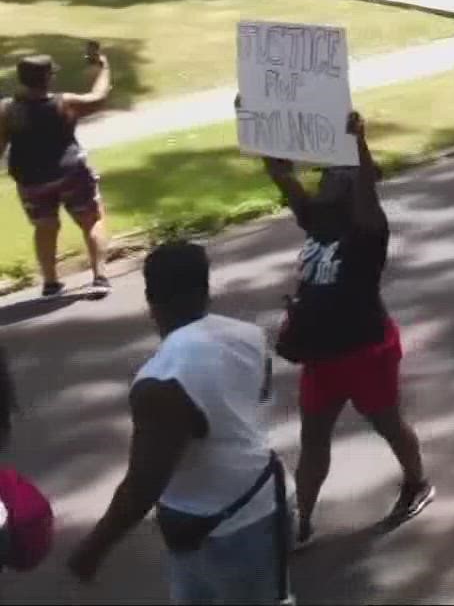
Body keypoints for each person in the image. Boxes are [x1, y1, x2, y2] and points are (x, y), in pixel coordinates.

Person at [68, 242, 289, 604]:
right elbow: (254, 401)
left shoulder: (161, 381)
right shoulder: (247, 335)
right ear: (205, 290)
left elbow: (142, 485)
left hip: (217, 527)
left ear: (150, 301)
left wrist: (92, 549)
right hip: (261, 498)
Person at [262, 113, 432, 550]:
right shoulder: (317, 217)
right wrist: (262, 120)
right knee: (313, 436)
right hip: (321, 355)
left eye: (336, 175)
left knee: (387, 423)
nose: (324, 179)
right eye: (325, 173)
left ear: (354, 182)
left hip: (365, 351)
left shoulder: (369, 229)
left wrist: (358, 145)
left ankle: (417, 482)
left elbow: (366, 192)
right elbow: (280, 173)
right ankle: (303, 518)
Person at [2, 49, 113, 296]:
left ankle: (51, 283)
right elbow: (99, 96)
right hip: (71, 172)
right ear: (48, 77)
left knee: (45, 226)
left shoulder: (7, 110)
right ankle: (100, 277)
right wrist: (104, 67)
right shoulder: (64, 103)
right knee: (91, 220)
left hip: (31, 180)